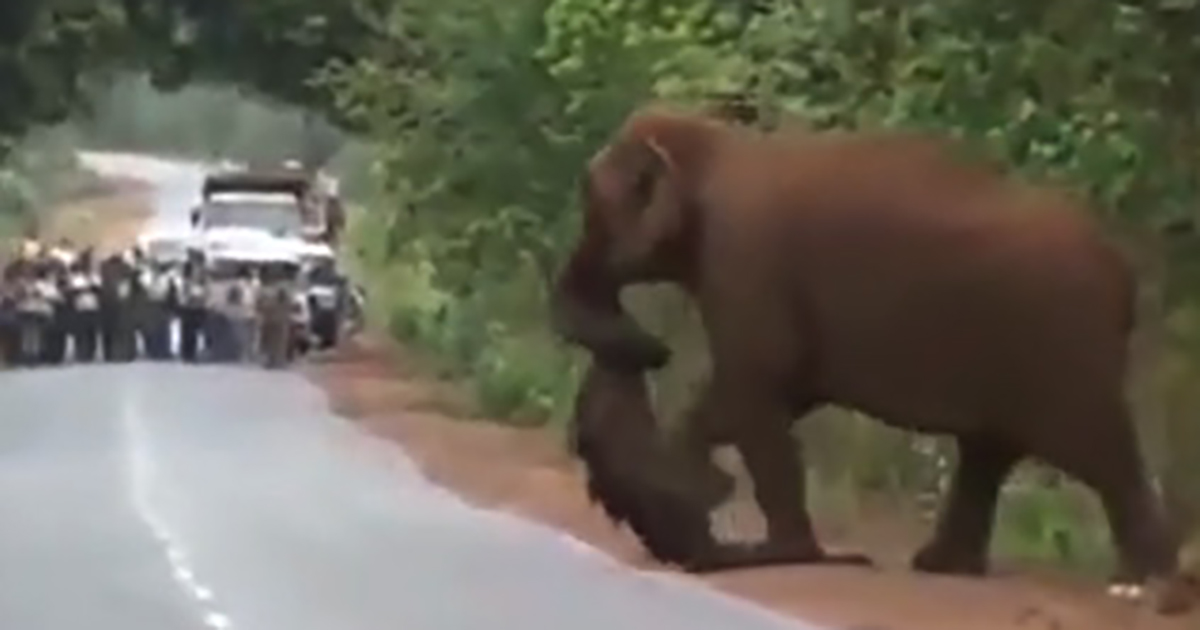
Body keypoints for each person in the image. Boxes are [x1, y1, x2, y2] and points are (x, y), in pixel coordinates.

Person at [177, 250, 209, 363]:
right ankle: (186, 353)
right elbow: (184, 288)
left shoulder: (203, 273)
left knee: (193, 331)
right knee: (187, 330)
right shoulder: (187, 269)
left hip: (196, 305)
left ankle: (191, 353)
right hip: (189, 305)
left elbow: (205, 289)